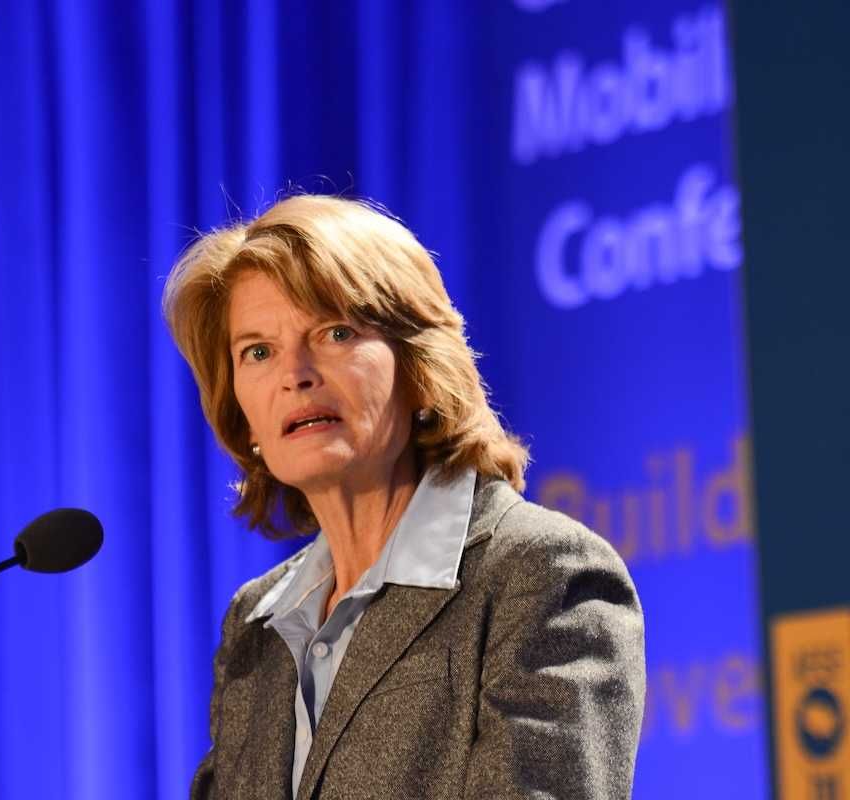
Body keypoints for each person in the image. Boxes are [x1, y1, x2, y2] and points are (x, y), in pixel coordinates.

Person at [162, 194, 645, 800]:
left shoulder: (541, 575)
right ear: (241, 412)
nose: (295, 374)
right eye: (257, 351)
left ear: (418, 366)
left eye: (335, 332)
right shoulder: (256, 623)